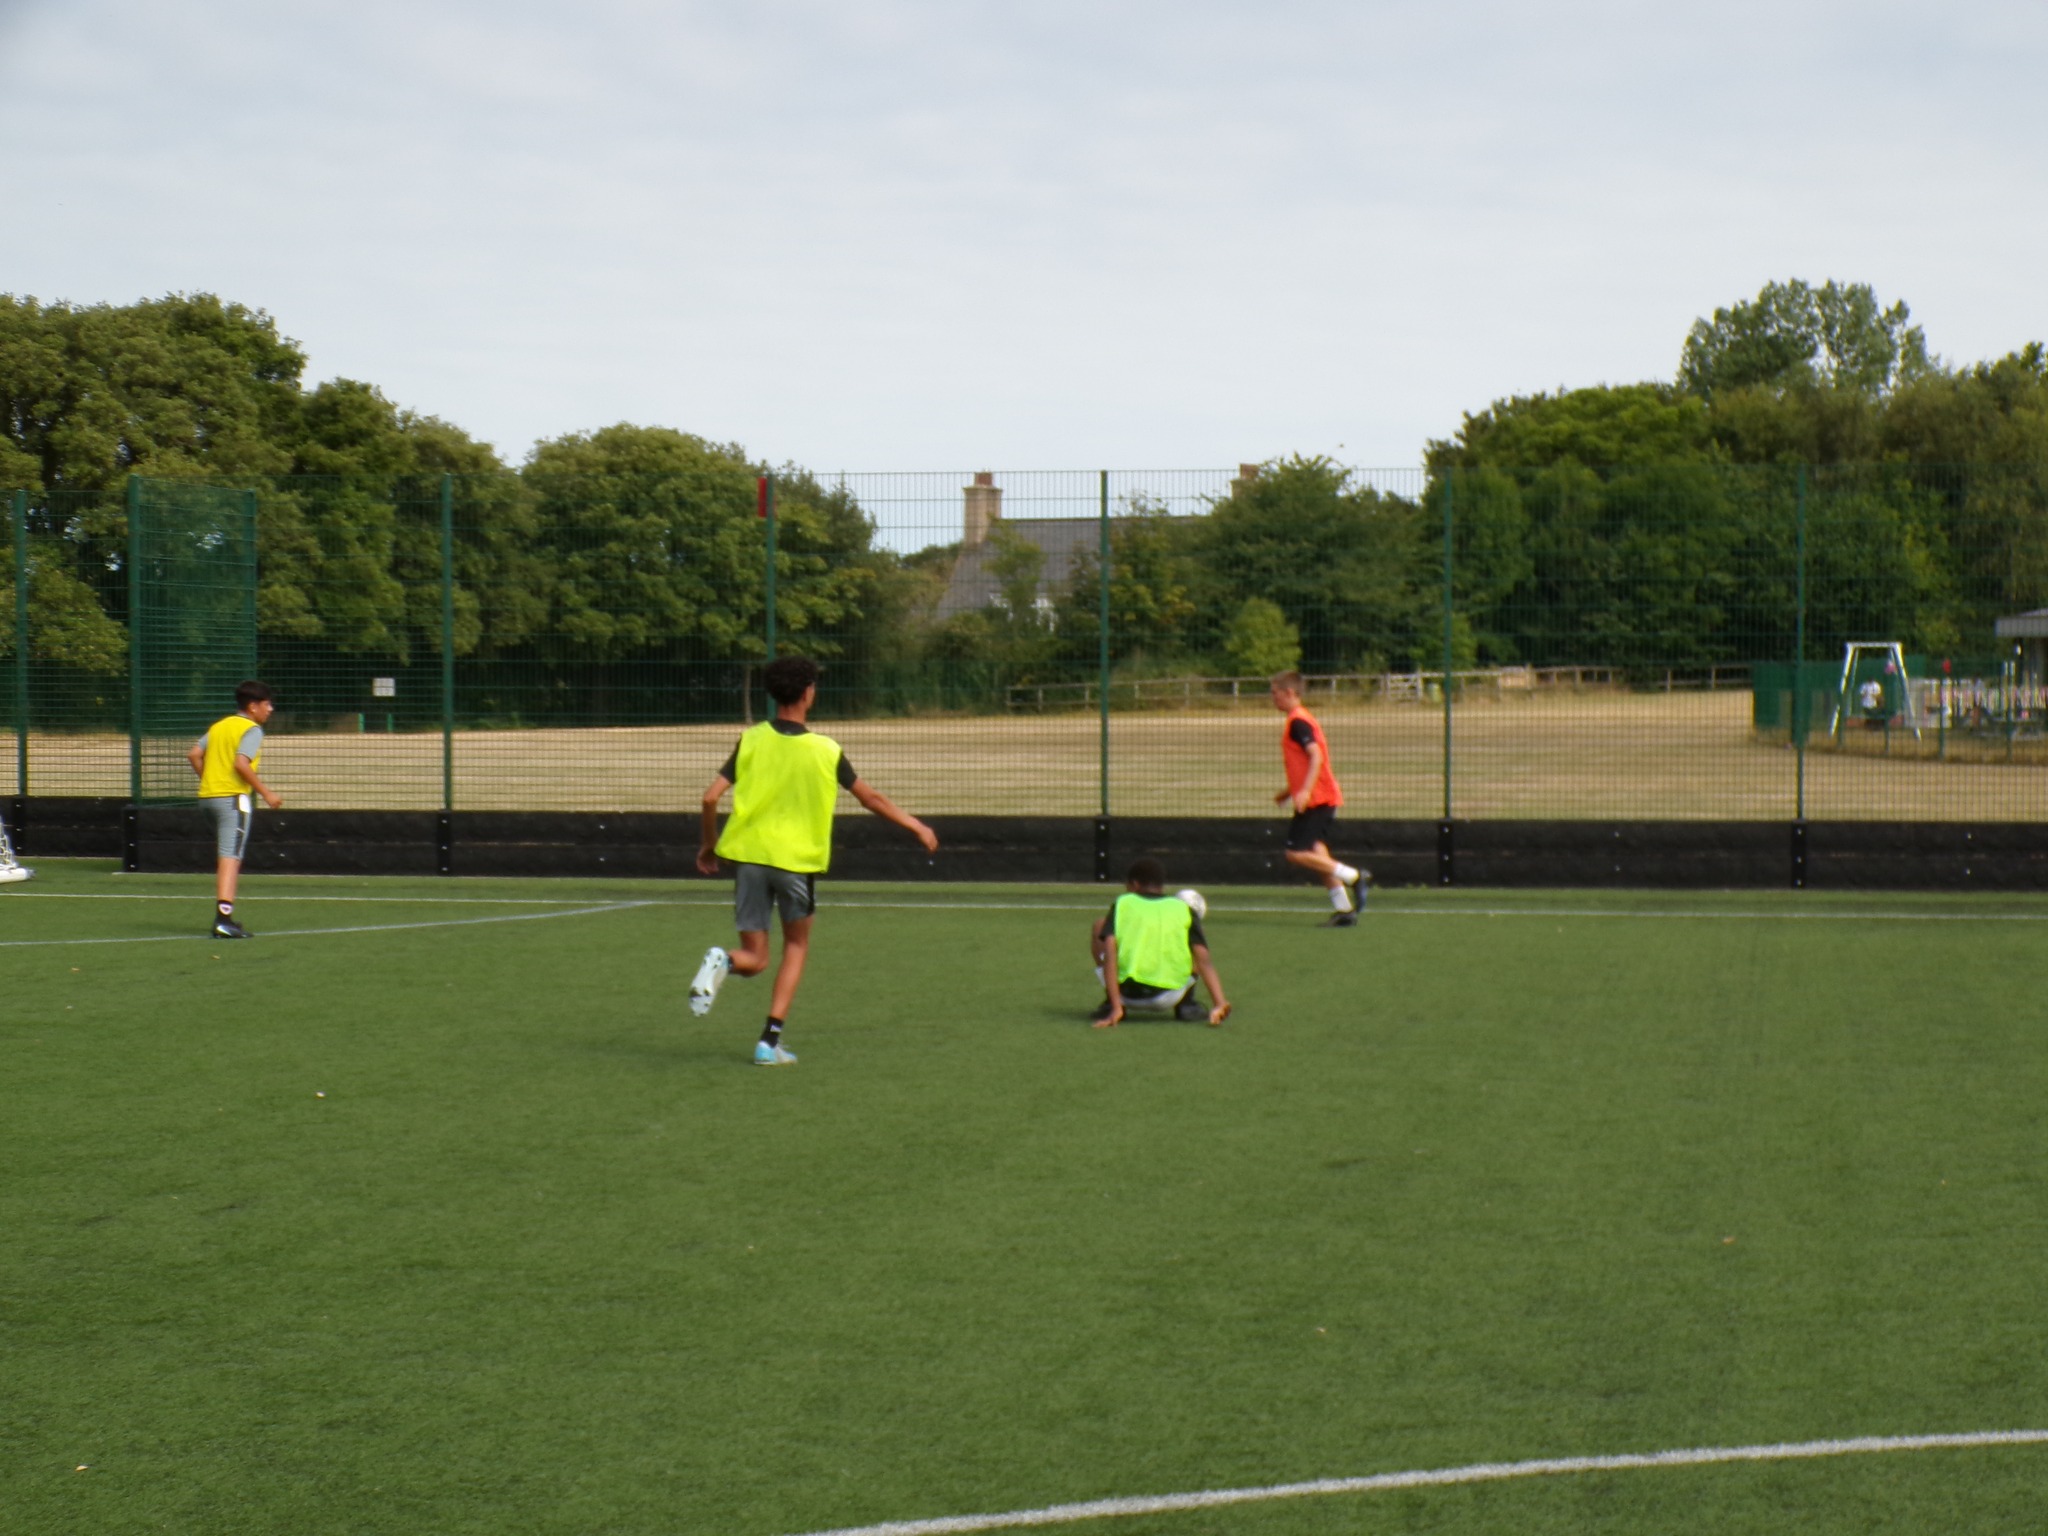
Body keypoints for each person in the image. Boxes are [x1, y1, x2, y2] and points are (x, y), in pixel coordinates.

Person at [689, 655, 939, 1065]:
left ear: (773, 694)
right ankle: (768, 1043)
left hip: (749, 860)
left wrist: (707, 845)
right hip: (796, 863)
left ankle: (724, 960)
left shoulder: (751, 739)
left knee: (755, 958)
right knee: (797, 944)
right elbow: (870, 798)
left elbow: (709, 797)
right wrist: (916, 826)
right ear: (808, 693)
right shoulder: (825, 750)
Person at [186, 680, 283, 939]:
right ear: (253, 707)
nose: (270, 709)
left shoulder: (220, 725)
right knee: (230, 857)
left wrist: (210, 780)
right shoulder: (251, 729)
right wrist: (266, 793)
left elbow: (194, 754)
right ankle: (223, 919)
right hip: (232, 801)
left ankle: (225, 918)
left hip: (207, 799)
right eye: (267, 704)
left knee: (227, 853)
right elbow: (241, 764)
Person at [1269, 670, 1366, 927]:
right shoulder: (1300, 719)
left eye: (1275, 692)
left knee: (1295, 853)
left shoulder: (1298, 722)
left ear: (1290, 692)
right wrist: (1289, 791)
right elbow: (1304, 763)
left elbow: (1316, 756)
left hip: (1318, 799)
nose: (1273, 697)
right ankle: (1344, 910)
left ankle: (1354, 876)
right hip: (1320, 796)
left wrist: (1305, 791)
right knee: (1316, 852)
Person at [1090, 857, 1231, 1028]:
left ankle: (1110, 1003)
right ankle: (1186, 1005)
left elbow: (1110, 955)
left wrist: (1116, 1007)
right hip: (1169, 996)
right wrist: (1219, 1002)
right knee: (1194, 941)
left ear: (1134, 884)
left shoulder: (1122, 904)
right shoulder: (1183, 909)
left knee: (1100, 926)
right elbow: (1204, 962)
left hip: (1124, 995)